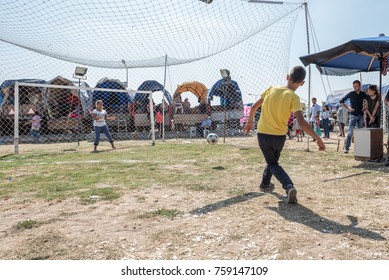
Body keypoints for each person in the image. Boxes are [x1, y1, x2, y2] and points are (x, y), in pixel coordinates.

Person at [243, 66, 325, 204]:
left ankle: (286, 186)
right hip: (279, 136)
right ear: (302, 83)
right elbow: (302, 122)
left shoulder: (271, 89)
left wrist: (249, 121)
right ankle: (270, 184)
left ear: (287, 77)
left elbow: (253, 107)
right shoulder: (294, 97)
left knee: (272, 162)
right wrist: (318, 139)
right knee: (272, 161)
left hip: (263, 133)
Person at [339, 80, 368, 153]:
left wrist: (365, 107)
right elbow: (341, 102)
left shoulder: (363, 94)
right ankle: (346, 148)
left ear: (360, 86)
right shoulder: (351, 94)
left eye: (356, 86)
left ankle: (360, 149)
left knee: (360, 132)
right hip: (353, 116)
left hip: (361, 115)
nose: (355, 88)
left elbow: (368, 100)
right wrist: (348, 108)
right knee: (350, 132)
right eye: (354, 86)